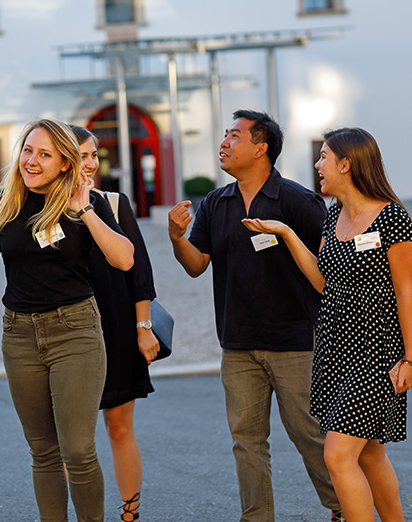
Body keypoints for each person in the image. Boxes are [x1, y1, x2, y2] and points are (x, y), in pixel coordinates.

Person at [168, 110, 342, 522]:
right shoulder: (216, 203)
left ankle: (344, 507)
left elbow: (329, 267)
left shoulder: (298, 200)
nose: (224, 143)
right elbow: (196, 265)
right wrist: (176, 238)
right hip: (238, 344)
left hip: (296, 342)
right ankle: (257, 517)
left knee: (309, 435)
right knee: (246, 442)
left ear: (261, 148)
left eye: (234, 136)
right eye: (225, 135)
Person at [0, 118, 134, 522]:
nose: (31, 161)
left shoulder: (85, 201)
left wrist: (84, 209)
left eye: (44, 155)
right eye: (27, 150)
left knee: (78, 449)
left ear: (65, 164)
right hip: (19, 335)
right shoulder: (1, 203)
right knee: (43, 451)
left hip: (76, 332)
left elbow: (124, 259)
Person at [242, 127, 411, 522]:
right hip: (335, 349)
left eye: (324, 157)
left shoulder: (392, 218)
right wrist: (285, 233)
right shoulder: (333, 214)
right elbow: (323, 280)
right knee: (370, 454)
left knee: (337, 455)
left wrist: (410, 358)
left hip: (378, 352)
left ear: (346, 164)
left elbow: (407, 291)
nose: (318, 165)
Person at [69, 124, 159, 522]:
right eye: (82, 156)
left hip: (118, 327)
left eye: (94, 155)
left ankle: (130, 515)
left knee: (119, 427)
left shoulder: (114, 202)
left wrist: (144, 328)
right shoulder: (44, 208)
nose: (90, 164)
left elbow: (140, 272)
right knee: (73, 440)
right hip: (69, 332)